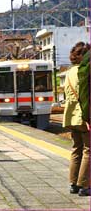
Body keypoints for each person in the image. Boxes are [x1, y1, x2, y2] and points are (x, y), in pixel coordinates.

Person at [63, 42, 90, 197]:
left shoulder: (69, 72)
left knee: (76, 149)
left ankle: (73, 184)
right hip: (83, 115)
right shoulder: (84, 71)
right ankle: (85, 186)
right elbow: (85, 96)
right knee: (89, 150)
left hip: (71, 115)